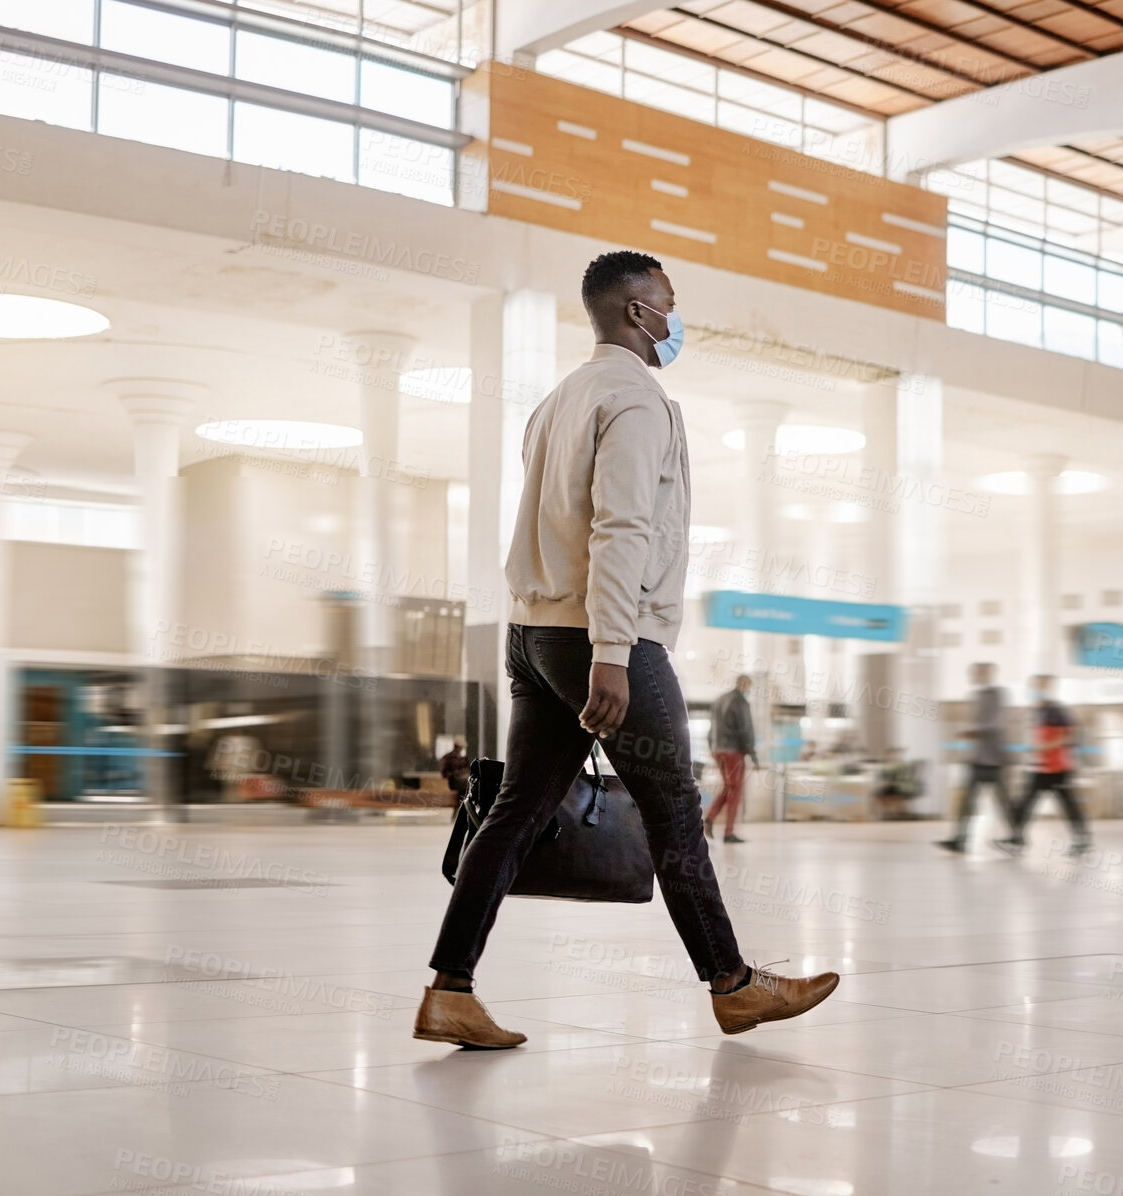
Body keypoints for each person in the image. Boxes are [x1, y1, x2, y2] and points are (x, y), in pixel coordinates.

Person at [416, 251, 837, 1049]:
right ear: (637, 312)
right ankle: (734, 985)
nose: (676, 319)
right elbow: (620, 528)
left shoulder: (557, 400)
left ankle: (450, 992)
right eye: (669, 303)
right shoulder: (637, 401)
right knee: (675, 812)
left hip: (532, 634)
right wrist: (613, 647)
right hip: (605, 639)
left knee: (511, 817)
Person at [1000, 674, 1092, 856]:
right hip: (1040, 768)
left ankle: (1082, 840)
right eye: (1035, 686)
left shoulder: (1057, 710)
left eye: (1041, 686)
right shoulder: (1037, 712)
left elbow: (1070, 735)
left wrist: (1044, 747)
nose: (1037, 690)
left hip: (1059, 769)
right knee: (1025, 803)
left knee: (1068, 804)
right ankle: (1016, 839)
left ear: (1050, 688)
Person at [938, 662, 1011, 852]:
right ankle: (960, 839)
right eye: (974, 672)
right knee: (968, 800)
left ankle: (1017, 836)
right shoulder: (976, 695)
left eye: (979, 672)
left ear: (989, 673)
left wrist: (972, 732)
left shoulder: (996, 694)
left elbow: (994, 724)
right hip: (977, 759)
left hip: (993, 760)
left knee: (1003, 802)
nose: (975, 675)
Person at [704, 675, 757, 843]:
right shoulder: (740, 702)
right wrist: (753, 755)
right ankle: (728, 832)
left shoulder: (719, 700)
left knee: (728, 787)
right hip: (734, 752)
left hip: (717, 750)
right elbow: (745, 730)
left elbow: (710, 729)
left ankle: (710, 819)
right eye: (749, 687)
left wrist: (712, 748)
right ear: (746, 684)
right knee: (735, 791)